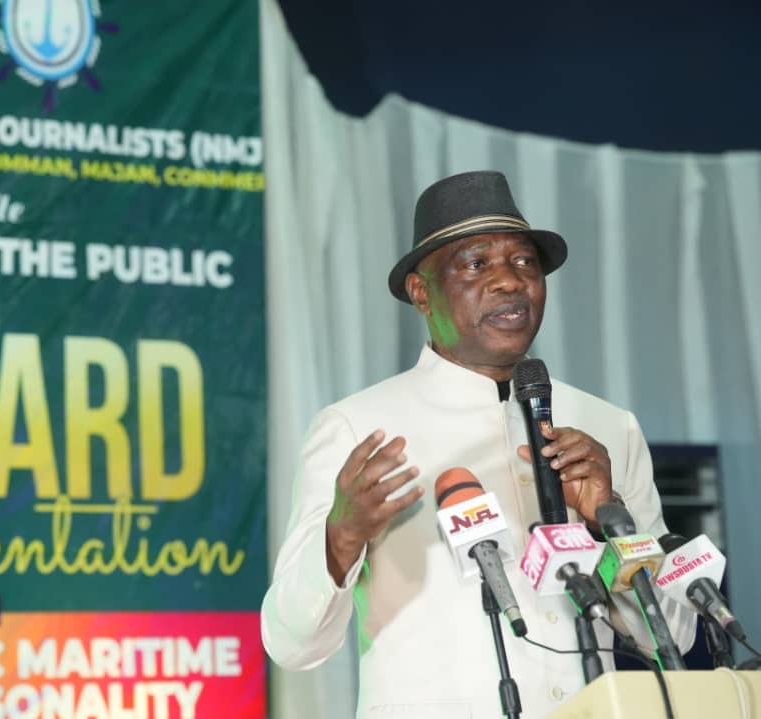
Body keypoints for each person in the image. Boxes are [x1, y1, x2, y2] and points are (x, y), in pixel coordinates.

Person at [260, 171, 695, 718]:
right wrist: (340, 537)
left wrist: (605, 524)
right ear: (421, 292)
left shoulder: (607, 426)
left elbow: (671, 637)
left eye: (524, 262)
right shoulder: (358, 428)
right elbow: (290, 644)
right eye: (476, 264)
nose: (509, 281)